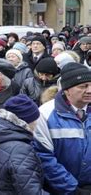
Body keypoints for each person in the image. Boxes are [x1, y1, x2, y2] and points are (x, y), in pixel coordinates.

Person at [34, 62, 91, 194]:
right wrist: (73, 189)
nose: (89, 90)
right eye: (83, 86)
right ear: (66, 90)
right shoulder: (45, 114)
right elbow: (43, 157)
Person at [0, 94, 43, 194]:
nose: (37, 123)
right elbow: (31, 191)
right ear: (25, 121)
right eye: (35, 119)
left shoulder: (0, 135)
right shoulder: (21, 150)